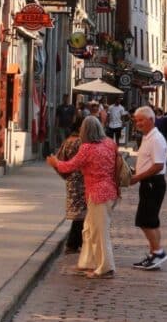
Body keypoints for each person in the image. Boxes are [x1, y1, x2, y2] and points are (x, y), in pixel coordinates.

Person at [45, 116, 118, 279]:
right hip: (108, 191)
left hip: (97, 193)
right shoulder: (109, 144)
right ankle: (87, 262)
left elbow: (69, 166)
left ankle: (105, 267)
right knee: (89, 229)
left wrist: (55, 162)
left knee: (99, 232)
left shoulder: (87, 148)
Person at [130, 105, 167, 270]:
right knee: (152, 222)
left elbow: (158, 165)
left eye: (141, 120)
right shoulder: (147, 137)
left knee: (145, 220)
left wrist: (138, 177)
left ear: (151, 120)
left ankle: (158, 252)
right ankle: (154, 253)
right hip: (148, 182)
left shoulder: (156, 139)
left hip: (153, 183)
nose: (138, 124)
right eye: (136, 120)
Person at [54, 115, 87, 254]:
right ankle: (73, 244)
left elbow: (58, 161)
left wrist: (65, 176)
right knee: (82, 214)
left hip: (73, 181)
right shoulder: (81, 143)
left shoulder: (68, 141)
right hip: (82, 182)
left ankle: (76, 243)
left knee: (80, 214)